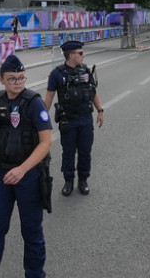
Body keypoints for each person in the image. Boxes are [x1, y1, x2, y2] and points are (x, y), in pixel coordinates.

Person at [0, 54, 52, 278]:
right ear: (1, 80)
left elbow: (46, 142)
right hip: (0, 174)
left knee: (32, 233)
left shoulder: (34, 102)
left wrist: (23, 170)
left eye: (21, 78)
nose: (18, 82)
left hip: (28, 177)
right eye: (12, 79)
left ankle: (35, 274)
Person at [43, 41, 103, 196]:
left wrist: (100, 110)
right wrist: (41, 121)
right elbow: (49, 96)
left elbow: (93, 92)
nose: (84, 55)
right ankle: (68, 181)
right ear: (71, 55)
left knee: (85, 152)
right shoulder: (57, 74)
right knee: (68, 152)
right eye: (80, 53)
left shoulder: (85, 71)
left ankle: (83, 180)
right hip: (68, 120)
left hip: (85, 119)